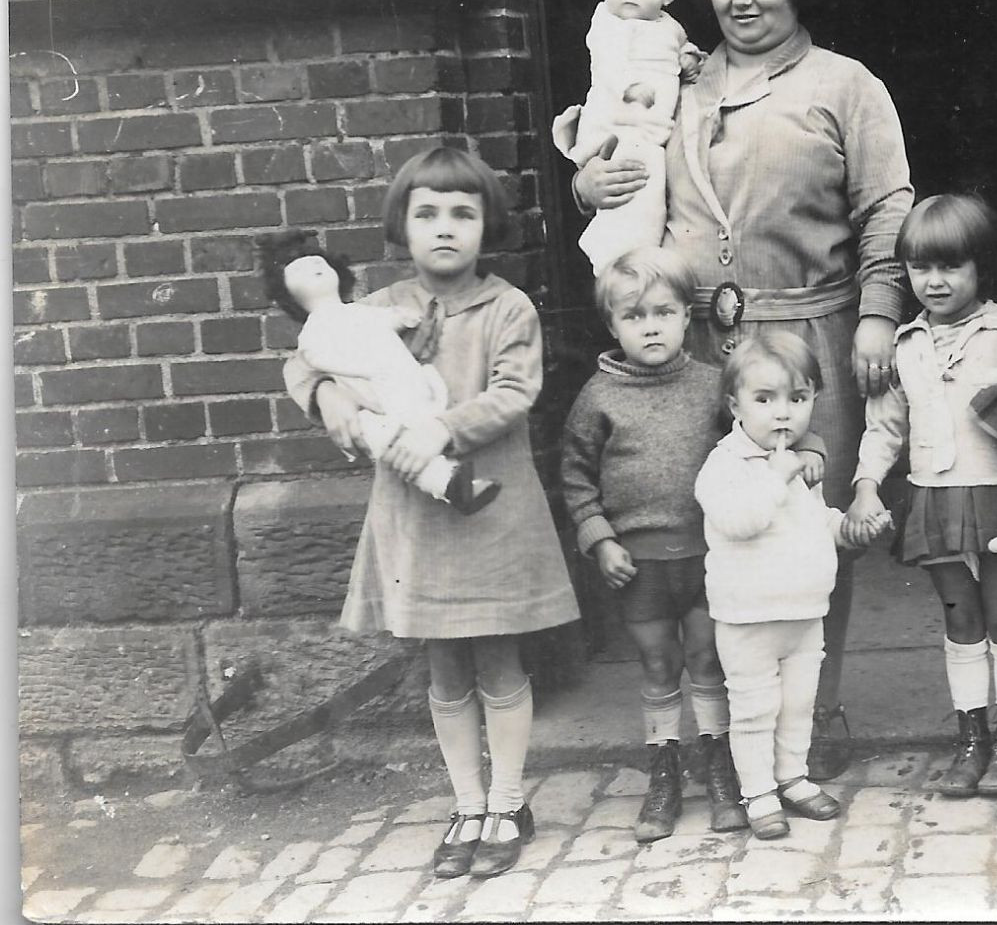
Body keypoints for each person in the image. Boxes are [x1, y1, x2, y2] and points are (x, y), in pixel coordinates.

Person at [569, 0, 914, 781]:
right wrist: (585, 179)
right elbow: (612, 152)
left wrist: (878, 311)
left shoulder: (844, 85)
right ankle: (730, 725)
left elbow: (887, 207)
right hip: (699, 349)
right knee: (707, 528)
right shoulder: (677, 80)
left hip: (809, 341)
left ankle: (813, 710)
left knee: (805, 530)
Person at [282, 147, 578, 877]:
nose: (444, 228)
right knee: (444, 665)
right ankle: (468, 803)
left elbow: (514, 392)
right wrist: (329, 398)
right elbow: (304, 360)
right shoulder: (373, 309)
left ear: (486, 225)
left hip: (490, 507)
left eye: (462, 213)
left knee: (498, 653)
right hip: (413, 516)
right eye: (426, 213)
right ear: (401, 226)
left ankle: (508, 800)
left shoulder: (507, 307)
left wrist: (440, 428)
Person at [559, 246, 827, 842]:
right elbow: (576, 475)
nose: (650, 326)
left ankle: (721, 770)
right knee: (659, 664)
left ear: (687, 316)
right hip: (639, 561)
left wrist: (811, 454)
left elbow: (767, 436)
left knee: (709, 660)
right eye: (634, 316)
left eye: (663, 311)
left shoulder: (714, 387)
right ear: (612, 325)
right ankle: (664, 773)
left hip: (708, 558)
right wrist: (599, 538)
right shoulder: (598, 398)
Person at [845, 194, 997, 798]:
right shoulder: (904, 345)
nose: (933, 282)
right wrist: (864, 485)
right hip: (935, 493)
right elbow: (885, 428)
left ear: (980, 266)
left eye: (950, 267)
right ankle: (971, 736)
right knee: (961, 616)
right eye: (919, 269)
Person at [693, 334, 866, 838]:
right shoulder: (725, 464)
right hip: (748, 617)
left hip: (804, 612)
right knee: (753, 709)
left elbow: (809, 521)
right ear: (735, 405)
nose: (783, 413)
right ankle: (758, 793)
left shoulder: (793, 464)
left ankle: (792, 776)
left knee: (797, 704)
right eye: (764, 400)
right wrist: (778, 476)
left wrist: (844, 529)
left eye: (798, 398)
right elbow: (740, 520)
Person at [260, 232, 499, 514]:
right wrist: (325, 391)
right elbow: (305, 361)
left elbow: (388, 320)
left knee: (418, 422)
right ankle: (448, 483)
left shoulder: (505, 305)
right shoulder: (353, 312)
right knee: (384, 435)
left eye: (318, 263)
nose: (313, 268)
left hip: (419, 391)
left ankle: (452, 475)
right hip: (377, 398)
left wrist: (401, 319)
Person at [552, 0, 704, 275]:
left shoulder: (671, 29)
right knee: (630, 188)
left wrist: (689, 59)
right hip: (615, 127)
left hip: (650, 132)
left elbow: (679, 51)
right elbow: (612, 61)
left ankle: (629, 258)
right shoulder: (606, 23)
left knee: (643, 196)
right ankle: (615, 261)